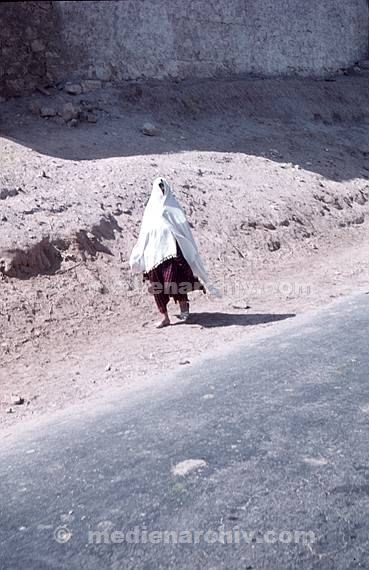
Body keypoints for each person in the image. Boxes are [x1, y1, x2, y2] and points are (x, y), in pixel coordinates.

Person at [129, 177, 218, 328]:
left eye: (164, 188)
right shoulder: (150, 212)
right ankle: (165, 317)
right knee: (157, 287)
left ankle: (184, 306)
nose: (162, 191)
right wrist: (139, 255)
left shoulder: (173, 208)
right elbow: (144, 234)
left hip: (172, 253)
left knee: (174, 282)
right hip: (153, 257)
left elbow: (183, 230)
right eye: (160, 188)